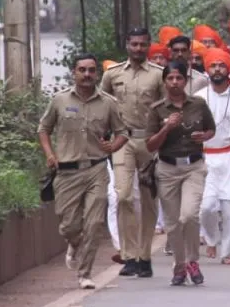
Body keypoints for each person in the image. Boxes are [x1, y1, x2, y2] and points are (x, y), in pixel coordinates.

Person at [38, 54, 129, 289]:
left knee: (95, 222)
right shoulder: (59, 100)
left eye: (91, 70)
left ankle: (85, 273)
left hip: (96, 169)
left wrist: (114, 146)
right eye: (82, 70)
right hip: (66, 172)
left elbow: (122, 132)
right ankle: (74, 242)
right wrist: (50, 154)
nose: (87, 75)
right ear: (74, 73)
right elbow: (43, 129)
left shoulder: (108, 102)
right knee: (69, 226)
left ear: (96, 73)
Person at [101, 28, 165, 278]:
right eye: (134, 44)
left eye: (143, 45)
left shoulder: (159, 75)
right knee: (124, 196)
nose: (138, 49)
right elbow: (102, 105)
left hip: (149, 141)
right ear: (127, 44)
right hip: (122, 140)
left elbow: (165, 108)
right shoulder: (112, 74)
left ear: (149, 46)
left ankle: (144, 256)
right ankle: (128, 255)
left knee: (149, 200)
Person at [145, 60, 216, 286]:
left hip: (193, 167)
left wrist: (204, 137)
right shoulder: (157, 109)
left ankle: (193, 260)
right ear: (165, 81)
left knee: (189, 215)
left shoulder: (198, 104)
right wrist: (166, 127)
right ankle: (179, 265)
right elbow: (150, 145)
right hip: (167, 169)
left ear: (186, 81)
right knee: (173, 223)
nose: (175, 83)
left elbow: (211, 129)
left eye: (179, 78)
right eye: (170, 78)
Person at [197, 48, 230, 266]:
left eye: (221, 65)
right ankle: (211, 239)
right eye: (213, 65)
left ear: (229, 69)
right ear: (207, 69)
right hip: (205, 157)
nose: (217, 69)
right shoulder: (198, 98)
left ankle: (226, 252)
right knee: (205, 208)